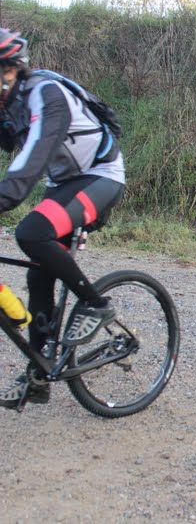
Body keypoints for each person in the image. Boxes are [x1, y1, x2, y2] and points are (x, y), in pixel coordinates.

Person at [0, 28, 125, 408]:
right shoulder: (10, 104)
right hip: (64, 185)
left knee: (32, 232)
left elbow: (31, 159)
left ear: (11, 70)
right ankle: (38, 374)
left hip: (99, 177)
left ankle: (96, 304)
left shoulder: (45, 94)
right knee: (39, 275)